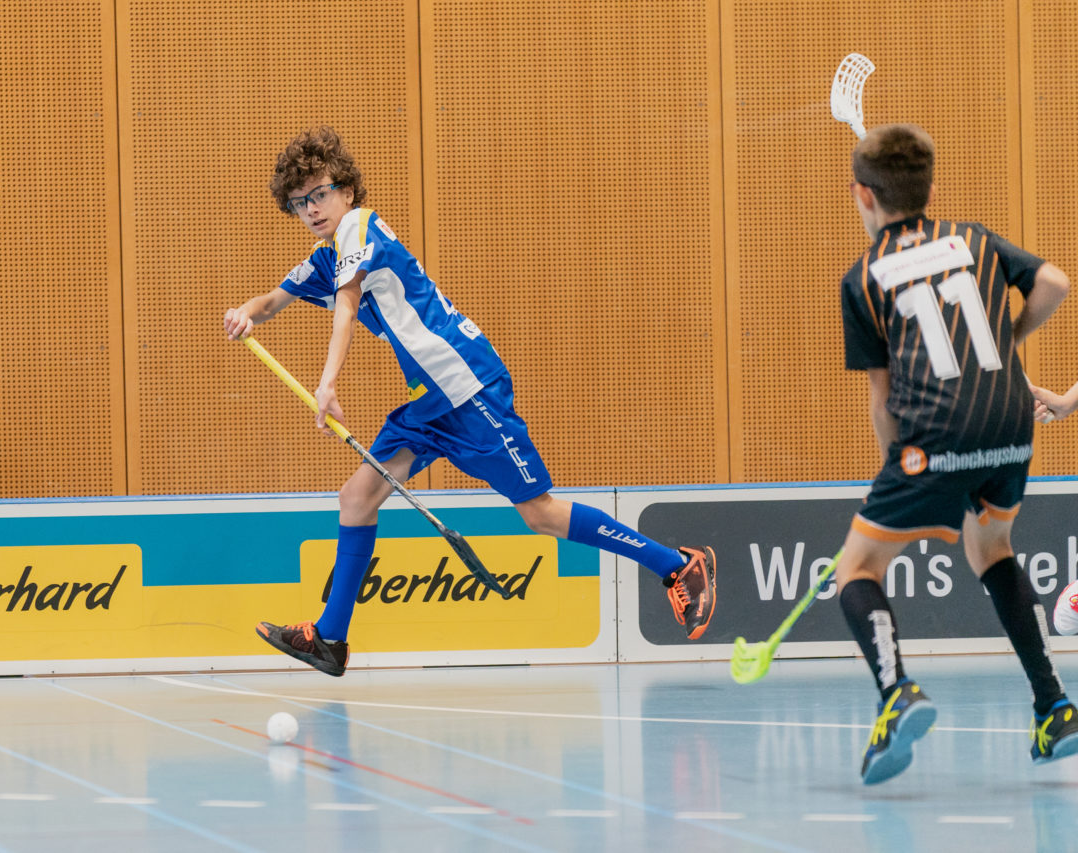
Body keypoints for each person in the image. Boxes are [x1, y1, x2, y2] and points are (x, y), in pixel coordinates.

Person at [223, 126, 717, 677]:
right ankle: (331, 640)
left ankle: (678, 565)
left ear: (347, 190)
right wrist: (246, 313)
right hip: (427, 405)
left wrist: (328, 381)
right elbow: (272, 300)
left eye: (319, 194)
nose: (310, 209)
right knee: (356, 498)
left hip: (466, 387)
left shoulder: (360, 228)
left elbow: (347, 301)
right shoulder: (327, 255)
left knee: (540, 514)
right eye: (298, 203)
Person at [836, 123, 1076, 784]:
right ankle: (1053, 705)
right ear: (931, 190)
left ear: (862, 196)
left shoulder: (861, 278)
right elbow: (1054, 281)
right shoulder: (971, 237)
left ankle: (897, 693)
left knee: (856, 567)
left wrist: (895, 463)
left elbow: (883, 399)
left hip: (936, 432)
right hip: (1011, 421)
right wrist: (1008, 339)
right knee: (990, 547)